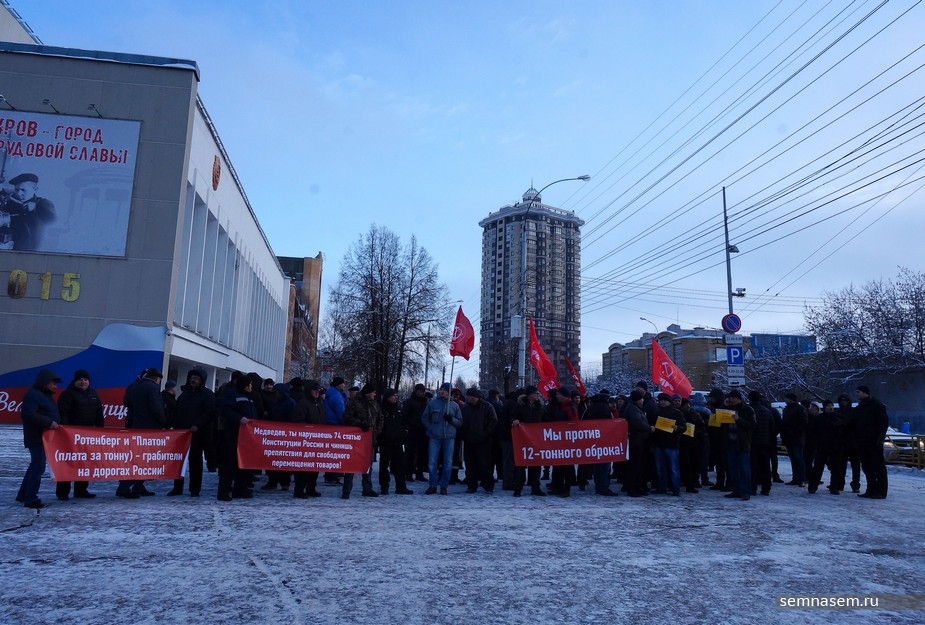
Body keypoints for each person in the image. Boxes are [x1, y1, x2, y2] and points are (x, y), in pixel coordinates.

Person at [117, 368, 166, 499]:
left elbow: (127, 402)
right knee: (144, 459)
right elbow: (156, 408)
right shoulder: (153, 388)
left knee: (138, 457)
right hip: (150, 428)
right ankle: (124, 486)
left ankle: (138, 485)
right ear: (157, 379)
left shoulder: (134, 386)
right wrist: (163, 422)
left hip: (136, 425)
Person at [16, 369, 62, 509]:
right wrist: (49, 423)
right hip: (37, 437)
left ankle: (23, 495)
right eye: (53, 384)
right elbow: (28, 414)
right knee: (38, 467)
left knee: (35, 466)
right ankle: (31, 499)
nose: (55, 386)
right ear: (45, 383)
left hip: (43, 436)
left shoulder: (44, 396)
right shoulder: (34, 395)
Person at [55, 369, 104, 500]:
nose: (83, 382)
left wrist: (100, 429)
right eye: (80, 380)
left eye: (86, 380)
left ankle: (81, 490)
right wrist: (66, 431)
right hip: (71, 435)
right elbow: (63, 413)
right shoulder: (67, 394)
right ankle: (62, 492)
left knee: (84, 462)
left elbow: (99, 412)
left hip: (88, 435)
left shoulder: (93, 393)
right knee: (68, 462)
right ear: (75, 381)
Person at [217, 374, 256, 501]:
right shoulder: (233, 396)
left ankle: (240, 490)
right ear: (245, 386)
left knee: (242, 464)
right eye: (250, 384)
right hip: (233, 435)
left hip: (245, 437)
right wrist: (239, 418)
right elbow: (225, 411)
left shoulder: (249, 399)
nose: (252, 386)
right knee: (229, 464)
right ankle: (223, 492)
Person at [342, 383, 383, 499]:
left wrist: (376, 431)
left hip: (370, 439)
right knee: (351, 465)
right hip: (356, 440)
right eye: (373, 392)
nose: (374, 394)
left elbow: (380, 418)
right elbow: (347, 417)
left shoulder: (374, 404)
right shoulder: (355, 403)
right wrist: (360, 424)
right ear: (368, 393)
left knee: (368, 465)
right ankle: (346, 490)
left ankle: (367, 489)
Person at [421, 382, 462, 495]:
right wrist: (431, 428)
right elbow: (424, 418)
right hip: (435, 437)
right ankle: (433, 485)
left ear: (449, 392)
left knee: (448, 462)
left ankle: (444, 485)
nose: (441, 391)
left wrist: (451, 420)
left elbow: (460, 422)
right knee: (432, 462)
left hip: (449, 437)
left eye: (444, 389)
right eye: (441, 389)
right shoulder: (432, 404)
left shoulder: (454, 406)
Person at [0, 172, 56, 251]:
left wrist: (36, 207)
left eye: (23, 190)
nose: (19, 193)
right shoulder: (12, 203)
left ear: (35, 189)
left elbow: (52, 219)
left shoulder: (43, 203)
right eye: (17, 189)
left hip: (30, 253)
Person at [460, 388, 498, 494]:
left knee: (485, 464)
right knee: (470, 465)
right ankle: (471, 485)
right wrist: (463, 435)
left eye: (469, 396)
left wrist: (486, 433)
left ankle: (488, 485)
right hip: (469, 440)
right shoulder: (465, 408)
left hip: (483, 440)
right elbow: (461, 422)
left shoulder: (487, 406)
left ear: (475, 397)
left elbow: (493, 421)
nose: (467, 398)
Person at [854, 385, 889, 499]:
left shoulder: (877, 405)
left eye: (858, 392)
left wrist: (880, 438)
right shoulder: (860, 407)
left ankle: (881, 491)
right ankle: (871, 489)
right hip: (863, 442)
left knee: (878, 467)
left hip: (874, 442)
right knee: (867, 467)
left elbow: (883, 423)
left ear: (866, 393)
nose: (856, 394)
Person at [511, 386, 546, 497]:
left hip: (536, 439)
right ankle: (518, 488)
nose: (538, 395)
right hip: (522, 439)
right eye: (536, 393)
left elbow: (545, 419)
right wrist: (514, 421)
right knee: (521, 465)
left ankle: (535, 487)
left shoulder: (540, 406)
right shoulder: (520, 406)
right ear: (530, 394)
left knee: (536, 463)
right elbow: (512, 417)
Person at [582, 390, 618, 496]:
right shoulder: (604, 408)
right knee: (605, 465)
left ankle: (598, 485)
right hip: (604, 440)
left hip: (594, 439)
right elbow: (607, 425)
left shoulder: (590, 408)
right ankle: (604, 487)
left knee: (597, 464)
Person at [378, 388, 413, 495]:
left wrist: (404, 432)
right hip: (385, 442)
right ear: (388, 397)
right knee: (384, 466)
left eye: (396, 396)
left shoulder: (398, 409)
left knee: (400, 465)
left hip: (398, 442)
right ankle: (384, 487)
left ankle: (401, 486)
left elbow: (404, 422)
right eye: (393, 396)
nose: (395, 397)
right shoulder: (381, 409)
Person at [650, 392, 686, 496]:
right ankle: (662, 487)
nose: (662, 402)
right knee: (660, 468)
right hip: (659, 444)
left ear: (669, 402)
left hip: (672, 444)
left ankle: (675, 489)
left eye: (664, 401)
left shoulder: (677, 413)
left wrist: (677, 428)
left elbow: (684, 427)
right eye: (661, 401)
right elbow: (652, 425)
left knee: (673, 468)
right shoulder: (656, 412)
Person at [723, 389, 755, 501]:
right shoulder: (728, 409)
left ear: (739, 399)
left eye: (733, 398)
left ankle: (745, 491)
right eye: (730, 398)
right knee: (733, 469)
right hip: (730, 443)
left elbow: (752, 425)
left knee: (744, 469)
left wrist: (738, 420)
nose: (731, 400)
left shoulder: (747, 410)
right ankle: (736, 490)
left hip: (742, 443)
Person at [623, 390, 653, 497]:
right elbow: (638, 423)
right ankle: (632, 489)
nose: (643, 400)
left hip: (637, 439)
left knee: (638, 465)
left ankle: (637, 487)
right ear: (637, 399)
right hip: (635, 440)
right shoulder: (633, 409)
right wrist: (649, 428)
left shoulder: (634, 407)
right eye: (641, 398)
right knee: (634, 465)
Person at [748, 390, 777, 496]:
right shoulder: (767, 411)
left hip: (751, 441)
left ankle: (753, 487)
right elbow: (772, 428)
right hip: (765, 442)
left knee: (752, 465)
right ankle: (766, 488)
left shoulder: (748, 410)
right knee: (765, 466)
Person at [323, 376, 348, 485]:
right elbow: (341, 413)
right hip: (337, 426)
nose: (344, 385)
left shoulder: (329, 394)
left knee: (330, 452)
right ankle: (333, 476)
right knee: (336, 453)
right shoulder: (337, 396)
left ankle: (329, 475)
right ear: (338, 384)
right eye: (343, 383)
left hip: (328, 425)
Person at [402, 383, 429, 483]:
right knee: (410, 453)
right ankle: (408, 473)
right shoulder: (409, 402)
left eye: (423, 391)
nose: (422, 393)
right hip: (412, 430)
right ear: (416, 391)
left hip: (423, 431)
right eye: (420, 391)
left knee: (422, 453)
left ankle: (419, 473)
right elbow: (404, 415)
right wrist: (407, 427)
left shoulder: (426, 402)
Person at [780, 393, 808, 487]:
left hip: (796, 438)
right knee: (793, 459)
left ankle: (801, 478)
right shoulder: (787, 409)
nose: (785, 400)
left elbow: (803, 423)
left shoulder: (799, 409)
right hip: (790, 438)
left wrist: (794, 432)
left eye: (787, 398)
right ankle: (796, 478)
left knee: (798, 458)